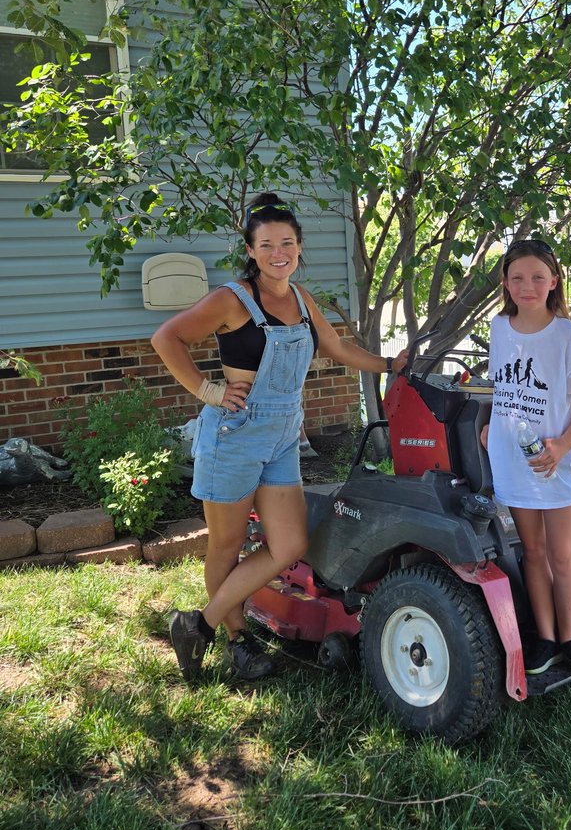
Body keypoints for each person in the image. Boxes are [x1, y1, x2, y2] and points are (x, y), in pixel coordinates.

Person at [151, 193, 408, 683]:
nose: (278, 253)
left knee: (289, 544)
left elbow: (336, 349)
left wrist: (391, 365)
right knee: (226, 545)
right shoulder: (232, 299)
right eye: (266, 244)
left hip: (284, 434)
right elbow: (168, 338)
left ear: (298, 246)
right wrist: (208, 389)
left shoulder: (302, 300)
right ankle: (236, 640)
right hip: (237, 434)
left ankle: (196, 623)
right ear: (250, 249)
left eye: (287, 243)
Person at [481, 238, 571, 676]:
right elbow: (504, 389)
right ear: (505, 283)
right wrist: (492, 424)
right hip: (513, 461)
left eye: (538, 277)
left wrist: (563, 445)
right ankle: (547, 639)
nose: (527, 285)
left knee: (561, 555)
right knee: (531, 553)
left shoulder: (569, 337)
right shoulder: (500, 328)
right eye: (517, 277)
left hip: (555, 463)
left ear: (554, 282)